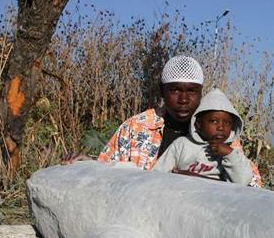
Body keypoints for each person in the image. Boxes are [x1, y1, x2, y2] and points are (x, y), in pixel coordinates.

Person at [65, 55, 262, 187]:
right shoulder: (137, 128)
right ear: (162, 91)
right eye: (175, 90)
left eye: (192, 91)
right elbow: (109, 174)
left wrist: (204, 183)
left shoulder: (220, 133)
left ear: (201, 92)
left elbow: (253, 184)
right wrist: (88, 165)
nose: (183, 100)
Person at [153, 88, 253, 185]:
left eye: (227, 123)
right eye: (214, 121)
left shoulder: (231, 152)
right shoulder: (181, 145)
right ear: (198, 124)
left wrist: (229, 154)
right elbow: (157, 175)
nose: (221, 127)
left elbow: (243, 182)